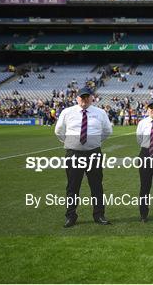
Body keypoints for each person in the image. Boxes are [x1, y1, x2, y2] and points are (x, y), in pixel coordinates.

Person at [54, 87, 113, 228]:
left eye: (87, 97)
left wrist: (94, 142)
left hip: (93, 152)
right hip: (73, 153)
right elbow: (58, 131)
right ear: (77, 98)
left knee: (96, 185)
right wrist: (70, 142)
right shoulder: (67, 112)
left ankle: (99, 215)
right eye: (82, 97)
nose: (84, 100)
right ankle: (71, 216)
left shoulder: (100, 112)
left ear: (92, 98)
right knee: (73, 186)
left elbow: (107, 131)